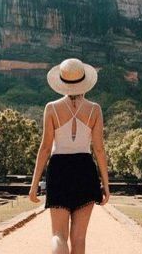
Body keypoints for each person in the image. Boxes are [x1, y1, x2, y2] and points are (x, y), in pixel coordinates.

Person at [29, 58, 110, 254]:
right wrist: (106, 185)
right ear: (85, 82)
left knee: (58, 234)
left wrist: (33, 186)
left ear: (62, 82)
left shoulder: (51, 108)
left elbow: (45, 148)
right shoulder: (95, 109)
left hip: (59, 168)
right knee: (79, 238)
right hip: (85, 169)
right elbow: (99, 149)